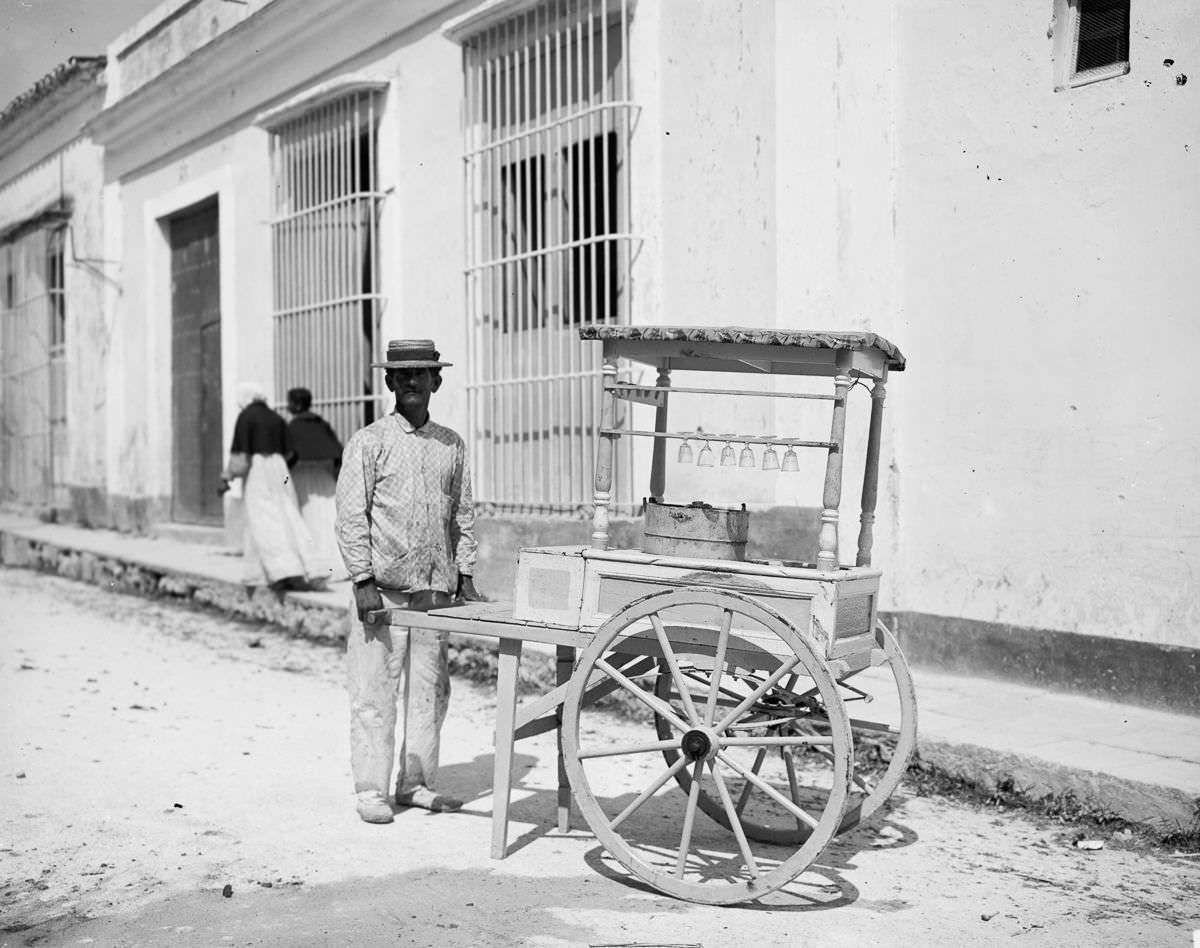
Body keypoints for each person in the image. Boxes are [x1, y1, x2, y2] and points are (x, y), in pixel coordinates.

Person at [335, 339, 486, 824]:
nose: (413, 382)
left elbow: (462, 513)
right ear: (389, 382)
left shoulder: (451, 444)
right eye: (403, 375)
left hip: (433, 594)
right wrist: (361, 579)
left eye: (422, 374)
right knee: (374, 691)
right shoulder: (370, 441)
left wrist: (464, 574)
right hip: (383, 591)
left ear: (436, 382)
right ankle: (371, 790)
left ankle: (416, 783)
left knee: (431, 692)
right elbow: (351, 516)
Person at [220, 381, 325, 591]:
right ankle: (304, 567)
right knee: (287, 515)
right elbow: (291, 453)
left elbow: (241, 458)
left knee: (263, 520)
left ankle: (284, 570)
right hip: (280, 470)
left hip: (258, 471)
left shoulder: (246, 417)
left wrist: (226, 478)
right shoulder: (275, 417)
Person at [285, 387, 348, 583]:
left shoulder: (292, 428)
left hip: (301, 479)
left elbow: (290, 456)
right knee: (328, 521)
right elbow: (338, 454)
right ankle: (337, 565)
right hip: (324, 480)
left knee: (306, 521)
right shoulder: (322, 425)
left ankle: (313, 567)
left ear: (295, 404)